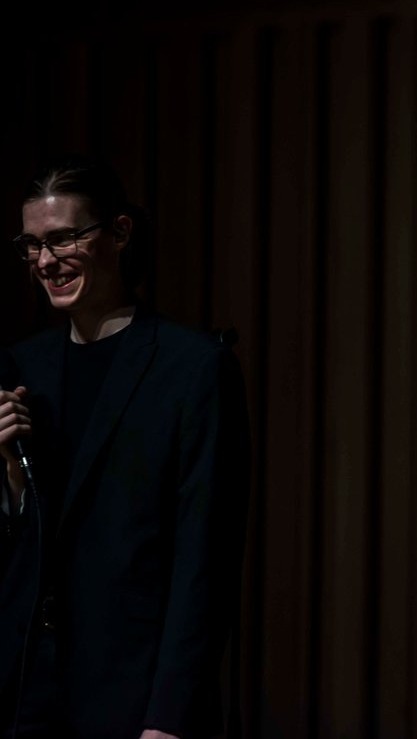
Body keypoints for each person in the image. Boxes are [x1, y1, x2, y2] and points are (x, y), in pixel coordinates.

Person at [0, 158, 250, 739]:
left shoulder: (193, 369)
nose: (45, 262)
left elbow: (204, 560)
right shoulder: (22, 366)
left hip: (132, 696)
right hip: (26, 694)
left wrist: (170, 717)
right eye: (32, 246)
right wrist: (9, 475)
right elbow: (22, 544)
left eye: (63, 239)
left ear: (119, 233)